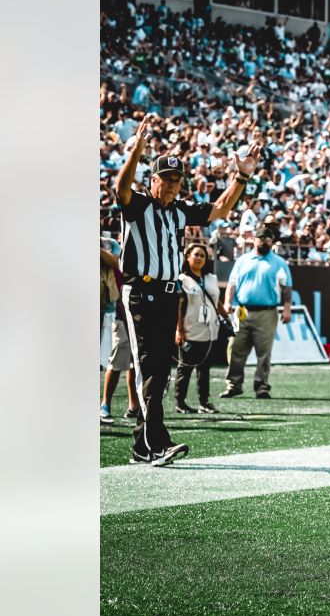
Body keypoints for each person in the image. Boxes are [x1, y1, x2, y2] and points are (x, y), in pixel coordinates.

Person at [114, 113, 260, 466]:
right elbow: (120, 189)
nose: (173, 185)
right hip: (141, 293)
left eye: (178, 180)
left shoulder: (179, 211)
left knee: (160, 369)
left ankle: (140, 446)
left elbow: (221, 208)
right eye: (166, 179)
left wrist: (241, 176)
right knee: (150, 366)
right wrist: (135, 150)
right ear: (153, 180)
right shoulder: (139, 205)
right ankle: (158, 443)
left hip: (167, 294)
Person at [222, 225, 293, 400]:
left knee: (264, 352)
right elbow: (232, 283)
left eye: (268, 239)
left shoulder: (279, 262)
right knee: (235, 348)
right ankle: (234, 385)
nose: (265, 242)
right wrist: (226, 302)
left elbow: (287, 287)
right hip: (242, 311)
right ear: (254, 240)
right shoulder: (242, 260)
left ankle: (261, 386)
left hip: (266, 313)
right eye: (261, 238)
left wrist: (287, 307)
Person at [174, 243, 227, 413]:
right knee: (185, 368)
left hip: (210, 329)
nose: (199, 258)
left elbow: (216, 301)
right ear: (188, 256)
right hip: (190, 330)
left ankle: (204, 402)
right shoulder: (182, 279)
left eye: (202, 256)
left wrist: (227, 317)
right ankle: (180, 403)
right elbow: (178, 306)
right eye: (196, 254)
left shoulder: (211, 278)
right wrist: (179, 329)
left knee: (204, 369)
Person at [100, 238, 140, 424]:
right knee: (116, 360)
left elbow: (117, 262)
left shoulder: (111, 245)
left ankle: (133, 406)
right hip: (117, 312)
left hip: (129, 310)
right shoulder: (110, 244)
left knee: (133, 360)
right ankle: (105, 404)